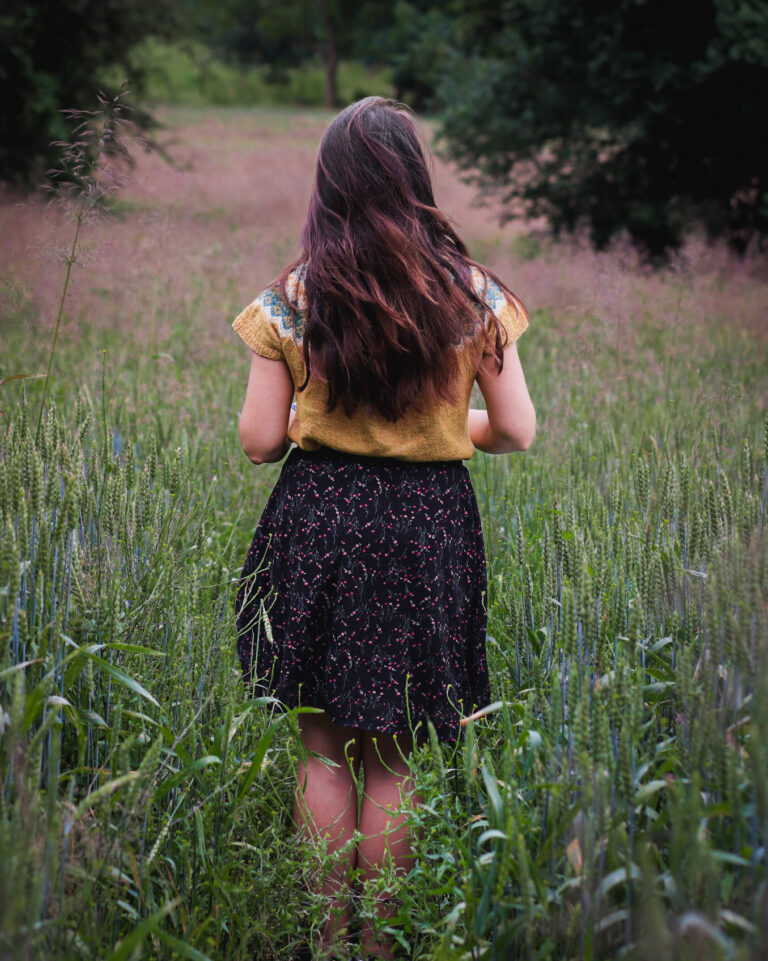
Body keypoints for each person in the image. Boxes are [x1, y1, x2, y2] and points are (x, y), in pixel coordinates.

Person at [231, 97, 536, 960]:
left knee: (322, 747)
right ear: (416, 182)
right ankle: (383, 947)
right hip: (427, 525)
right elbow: (515, 430)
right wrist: (440, 431)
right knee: (395, 758)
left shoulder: (293, 297)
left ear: (329, 186)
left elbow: (259, 442)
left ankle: (327, 942)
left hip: (320, 518)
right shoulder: (471, 295)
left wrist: (328, 423)